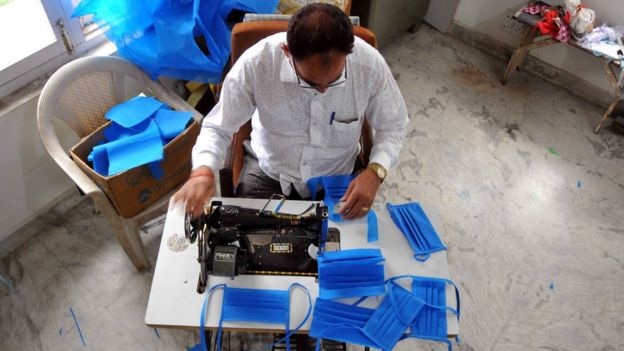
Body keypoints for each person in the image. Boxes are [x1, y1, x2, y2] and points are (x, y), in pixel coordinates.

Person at [174, 3, 407, 220]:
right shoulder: (257, 64)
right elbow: (218, 126)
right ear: (287, 52)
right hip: (271, 171)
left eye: (335, 80)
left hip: (337, 172)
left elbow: (394, 124)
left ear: (349, 51)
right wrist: (203, 171)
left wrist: (376, 171)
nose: (324, 91)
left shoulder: (369, 65)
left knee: (343, 254)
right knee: (254, 249)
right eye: (311, 83)